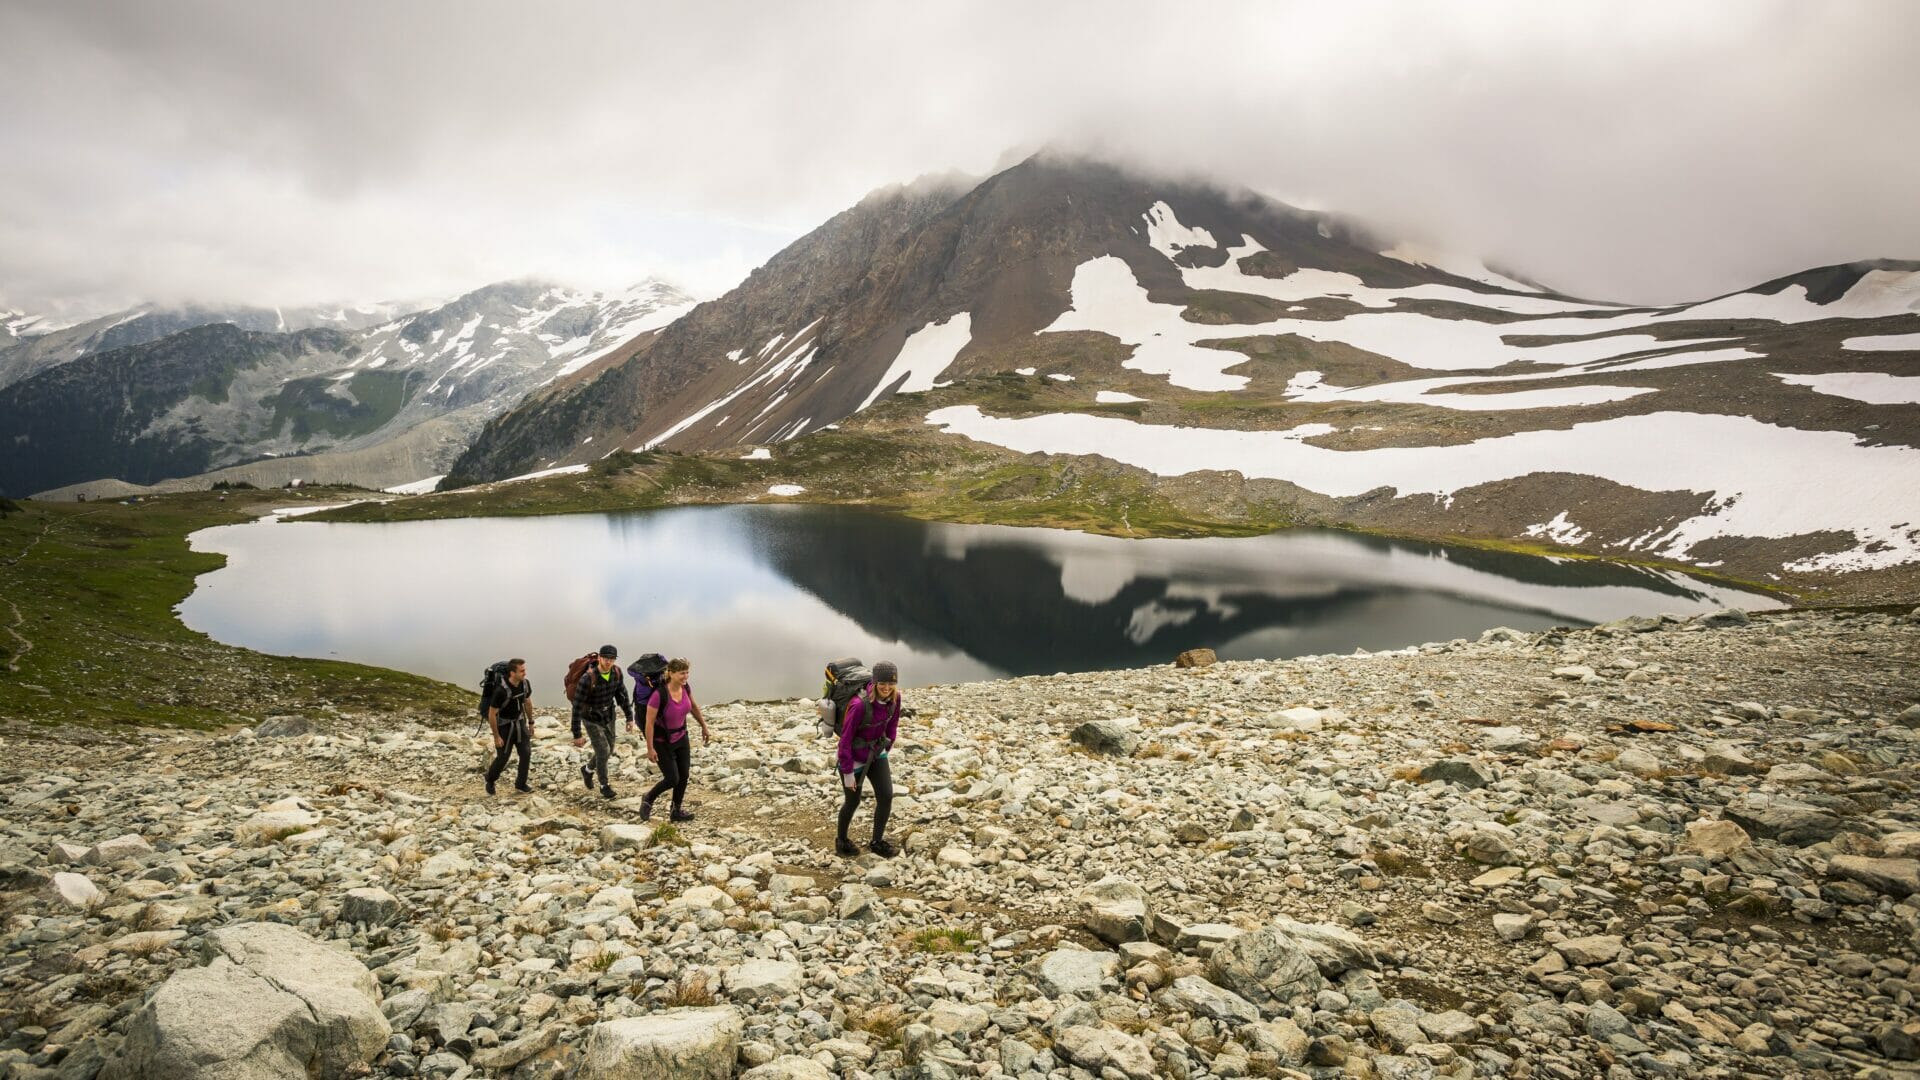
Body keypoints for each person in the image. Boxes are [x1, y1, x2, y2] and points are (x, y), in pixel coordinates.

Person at [836, 660, 902, 858]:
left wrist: (887, 747)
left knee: (886, 796)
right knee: (852, 802)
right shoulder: (858, 705)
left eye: (891, 683)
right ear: (875, 682)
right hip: (854, 759)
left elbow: (892, 725)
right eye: (882, 683)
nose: (886, 688)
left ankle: (877, 842)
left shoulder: (895, 698)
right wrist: (847, 772)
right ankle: (842, 841)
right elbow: (845, 741)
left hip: (876, 752)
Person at [639, 657, 710, 822]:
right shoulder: (659, 695)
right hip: (662, 741)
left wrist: (704, 726)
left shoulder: (686, 688)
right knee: (672, 778)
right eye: (681, 673)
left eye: (687, 672)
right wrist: (650, 748)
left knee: (684, 775)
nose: (685, 676)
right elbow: (649, 723)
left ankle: (676, 810)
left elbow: (692, 706)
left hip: (681, 737)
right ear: (670, 673)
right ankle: (648, 798)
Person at [571, 644, 633, 799]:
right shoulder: (587, 679)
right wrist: (577, 734)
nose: (608, 661)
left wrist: (629, 717)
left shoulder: (616, 673)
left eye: (612, 659)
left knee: (609, 749)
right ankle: (604, 785)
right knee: (603, 750)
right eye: (605, 658)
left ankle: (587, 770)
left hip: (609, 715)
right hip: (591, 718)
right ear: (599, 657)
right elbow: (577, 706)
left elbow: (622, 696)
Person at [484, 658, 534, 795]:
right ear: (512, 673)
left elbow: (527, 702)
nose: (525, 673)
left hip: (520, 723)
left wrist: (530, 723)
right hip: (504, 726)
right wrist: (496, 736)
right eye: (522, 671)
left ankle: (521, 784)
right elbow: (492, 714)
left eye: (525, 670)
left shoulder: (525, 684)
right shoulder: (501, 690)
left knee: (526, 753)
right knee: (503, 758)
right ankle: (490, 779)